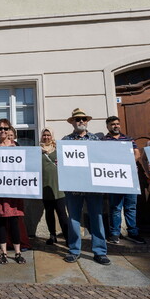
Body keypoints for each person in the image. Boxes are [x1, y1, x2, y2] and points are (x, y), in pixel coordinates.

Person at [61, 109, 110, 265]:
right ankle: (74, 250)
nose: (80, 121)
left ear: (87, 122)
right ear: (72, 122)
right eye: (77, 119)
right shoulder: (66, 140)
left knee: (97, 218)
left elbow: (103, 160)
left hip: (93, 187)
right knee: (74, 219)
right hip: (73, 187)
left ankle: (100, 251)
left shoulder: (96, 140)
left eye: (83, 119)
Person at [103, 116, 145, 244]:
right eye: (112, 124)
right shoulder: (103, 140)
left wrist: (128, 163)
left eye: (117, 124)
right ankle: (115, 233)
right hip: (114, 178)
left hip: (130, 178)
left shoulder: (128, 138)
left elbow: (137, 153)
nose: (116, 126)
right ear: (108, 126)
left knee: (130, 206)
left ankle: (133, 232)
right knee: (115, 207)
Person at [0, 118, 26, 264]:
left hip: (13, 189)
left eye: (5, 128)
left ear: (9, 129)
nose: (2, 131)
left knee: (14, 221)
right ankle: (3, 253)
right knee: (1, 222)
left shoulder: (16, 146)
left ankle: (17, 253)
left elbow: (24, 167)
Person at [40, 128, 68, 246]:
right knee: (49, 212)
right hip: (45, 186)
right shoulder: (38, 150)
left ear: (52, 136)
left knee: (62, 214)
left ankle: (68, 237)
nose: (46, 137)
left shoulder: (58, 149)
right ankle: (52, 235)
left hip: (58, 187)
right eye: (44, 135)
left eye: (48, 135)